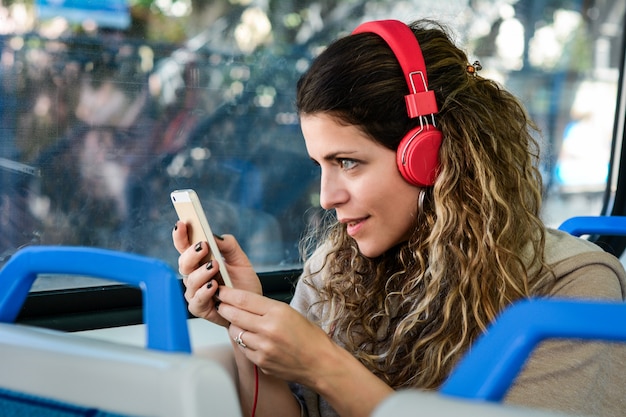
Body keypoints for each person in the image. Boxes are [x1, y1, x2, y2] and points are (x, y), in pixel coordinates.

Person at [173, 19, 626, 417]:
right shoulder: (333, 267)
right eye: (320, 166)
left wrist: (323, 365)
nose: (327, 197)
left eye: (347, 162)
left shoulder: (574, 286)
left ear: (427, 156)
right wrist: (245, 327)